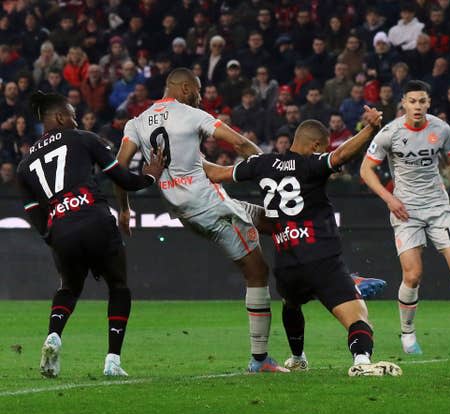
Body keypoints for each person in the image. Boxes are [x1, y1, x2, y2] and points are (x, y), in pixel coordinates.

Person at [204, 107, 401, 377]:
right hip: (322, 259)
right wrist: (370, 129)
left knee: (291, 304)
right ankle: (362, 361)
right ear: (317, 145)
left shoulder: (261, 163)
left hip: (286, 263)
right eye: (324, 146)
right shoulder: (312, 164)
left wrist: (177, 161)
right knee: (358, 316)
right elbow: (341, 155)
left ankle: (297, 358)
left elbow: (215, 174)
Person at [114, 68, 287, 373]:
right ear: (183, 88)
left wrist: (124, 209)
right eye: (196, 91)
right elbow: (241, 144)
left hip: (186, 212)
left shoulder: (137, 122)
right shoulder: (191, 115)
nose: (198, 97)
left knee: (265, 242)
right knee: (268, 247)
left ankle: (264, 353)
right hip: (209, 204)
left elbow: (119, 167)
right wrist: (270, 171)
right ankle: (263, 355)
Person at [16, 92, 164, 378]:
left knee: (68, 288)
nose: (74, 119)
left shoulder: (24, 166)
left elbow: (34, 212)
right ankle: (112, 361)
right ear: (60, 117)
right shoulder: (82, 138)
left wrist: (52, 236)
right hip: (95, 219)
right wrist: (151, 176)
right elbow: (121, 178)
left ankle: (54, 336)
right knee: (118, 286)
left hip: (61, 228)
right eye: (71, 114)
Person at [360, 80, 450, 354]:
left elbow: (449, 164)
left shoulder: (441, 128)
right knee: (413, 275)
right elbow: (366, 170)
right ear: (404, 103)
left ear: (428, 103)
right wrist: (390, 199)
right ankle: (408, 334)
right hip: (406, 210)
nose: (418, 106)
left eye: (422, 101)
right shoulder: (389, 133)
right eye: (412, 101)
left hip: (438, 207)